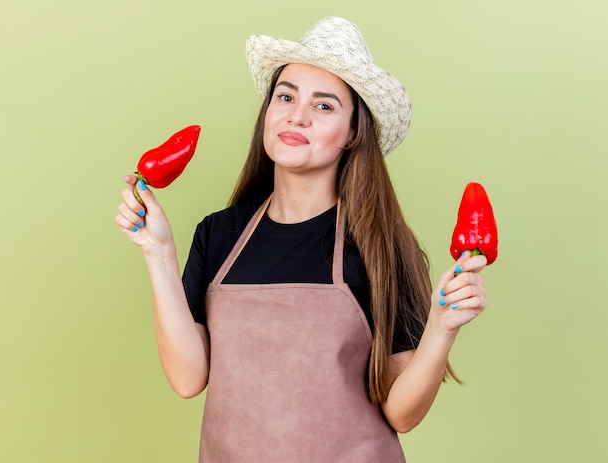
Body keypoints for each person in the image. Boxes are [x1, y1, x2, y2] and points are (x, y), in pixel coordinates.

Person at [116, 16, 488, 462]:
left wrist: (442, 328)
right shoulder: (219, 234)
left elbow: (402, 415)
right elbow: (187, 378)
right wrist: (158, 252)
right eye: (286, 96)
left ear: (353, 133)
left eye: (324, 106)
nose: (297, 115)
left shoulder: (379, 246)